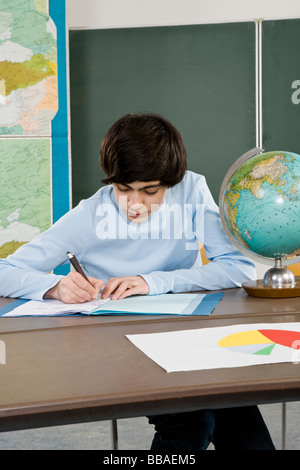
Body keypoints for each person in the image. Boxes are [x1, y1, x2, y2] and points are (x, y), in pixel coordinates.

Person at [0, 112, 275, 450]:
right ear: (110, 180)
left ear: (171, 181)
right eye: (123, 189)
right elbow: (4, 270)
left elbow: (238, 268)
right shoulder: (89, 216)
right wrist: (54, 287)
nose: (134, 204)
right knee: (192, 423)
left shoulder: (190, 190)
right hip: (116, 352)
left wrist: (151, 281)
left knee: (238, 410)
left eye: (149, 191)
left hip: (185, 340)